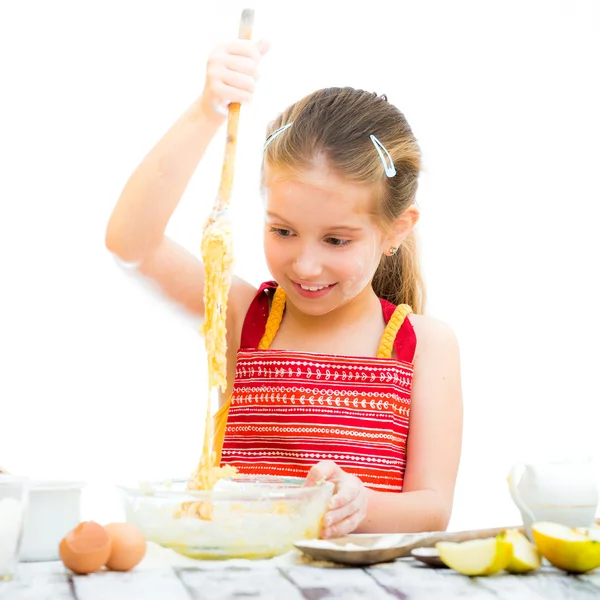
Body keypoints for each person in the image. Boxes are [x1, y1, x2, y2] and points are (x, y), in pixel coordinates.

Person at [105, 38, 463, 538]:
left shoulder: (424, 345)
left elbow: (432, 508)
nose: (306, 265)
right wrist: (206, 112)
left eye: (336, 239)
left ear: (396, 230)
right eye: (282, 231)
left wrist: (359, 506)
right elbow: (131, 242)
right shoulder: (245, 316)